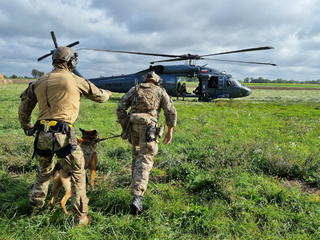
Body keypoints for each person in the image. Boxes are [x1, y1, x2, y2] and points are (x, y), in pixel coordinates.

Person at [18, 46, 112, 226]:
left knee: (44, 171)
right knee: (77, 172)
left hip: (41, 136)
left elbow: (24, 108)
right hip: (63, 136)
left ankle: (34, 208)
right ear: (70, 61)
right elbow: (100, 97)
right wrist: (108, 93)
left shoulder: (38, 82)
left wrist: (27, 127)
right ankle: (80, 217)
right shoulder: (76, 79)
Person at [116, 71, 177, 214]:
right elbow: (171, 111)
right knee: (145, 160)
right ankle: (137, 196)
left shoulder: (135, 89)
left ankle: (135, 184)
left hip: (133, 127)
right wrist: (170, 131)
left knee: (136, 156)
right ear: (156, 81)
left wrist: (125, 125)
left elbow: (120, 107)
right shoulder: (160, 91)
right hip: (149, 128)